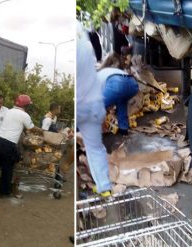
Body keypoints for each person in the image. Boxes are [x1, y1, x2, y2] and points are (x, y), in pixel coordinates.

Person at [0, 94, 44, 197]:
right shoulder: (24, 115)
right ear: (26, 105)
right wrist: (42, 131)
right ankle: (4, 192)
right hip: (8, 144)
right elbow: (31, 128)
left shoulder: (8, 111)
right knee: (7, 168)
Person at [76, 22, 111, 197]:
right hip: (94, 103)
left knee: (71, 143)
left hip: (79, 104)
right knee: (95, 148)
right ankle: (105, 189)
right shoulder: (85, 41)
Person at [98, 52, 139, 135]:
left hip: (116, 84)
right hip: (132, 84)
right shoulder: (117, 70)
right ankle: (123, 129)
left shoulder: (98, 74)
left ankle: (78, 131)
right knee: (121, 102)